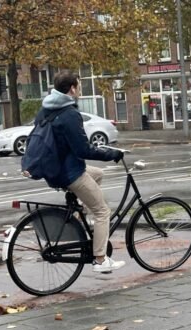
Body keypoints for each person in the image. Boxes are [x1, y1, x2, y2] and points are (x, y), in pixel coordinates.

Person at [36, 70, 125, 273]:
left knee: (98, 174)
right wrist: (112, 153)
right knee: (103, 211)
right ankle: (101, 260)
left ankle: (79, 217)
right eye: (79, 85)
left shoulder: (46, 110)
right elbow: (83, 150)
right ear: (72, 88)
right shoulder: (69, 114)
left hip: (54, 169)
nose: (80, 89)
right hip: (69, 173)